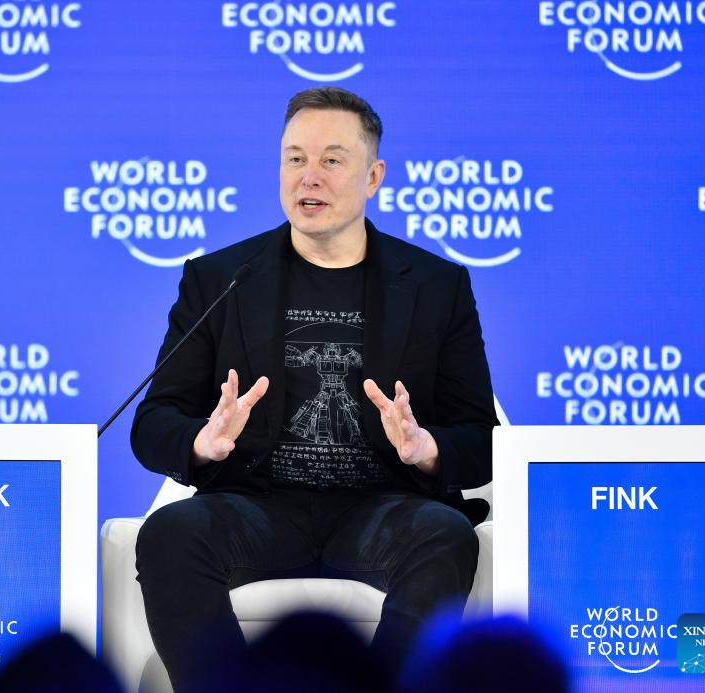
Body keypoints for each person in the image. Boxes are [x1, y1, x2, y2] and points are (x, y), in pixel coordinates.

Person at [131, 86, 497, 691]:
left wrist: (426, 448)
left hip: (384, 507)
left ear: (373, 176)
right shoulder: (220, 279)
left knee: (446, 536)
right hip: (256, 506)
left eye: (332, 160)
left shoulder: (437, 286)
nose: (310, 176)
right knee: (171, 534)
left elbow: (481, 437)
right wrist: (203, 441)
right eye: (295, 158)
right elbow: (153, 423)